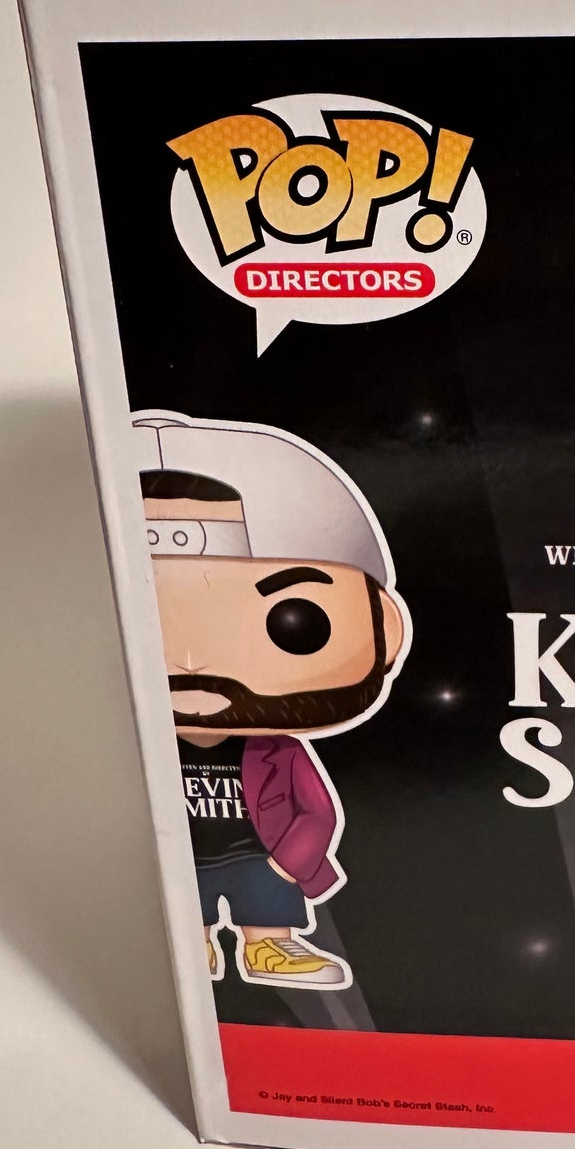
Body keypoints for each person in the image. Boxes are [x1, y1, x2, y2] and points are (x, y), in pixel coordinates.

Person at [134, 412, 409, 989]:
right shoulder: (133, 746)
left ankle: (268, 946)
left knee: (264, 906)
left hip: (260, 858)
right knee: (180, 919)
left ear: (384, 628)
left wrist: (288, 863)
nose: (192, 661)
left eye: (294, 622)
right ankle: (187, 945)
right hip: (177, 863)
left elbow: (318, 811)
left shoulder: (278, 749)